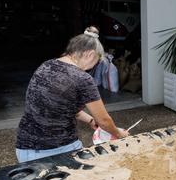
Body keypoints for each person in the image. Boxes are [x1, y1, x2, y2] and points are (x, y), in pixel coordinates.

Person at [15, 26, 129, 163]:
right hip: (55, 150)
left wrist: (91, 120)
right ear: (90, 55)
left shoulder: (46, 65)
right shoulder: (82, 78)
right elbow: (104, 121)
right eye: (96, 61)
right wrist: (119, 133)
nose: (93, 66)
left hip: (25, 149)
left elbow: (61, 106)